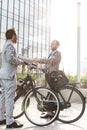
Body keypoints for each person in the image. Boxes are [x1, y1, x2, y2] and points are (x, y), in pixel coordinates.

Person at [0, 28, 24, 128]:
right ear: (13, 36)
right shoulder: (10, 45)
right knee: (9, 99)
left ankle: (1, 118)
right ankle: (10, 122)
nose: (17, 38)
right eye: (16, 35)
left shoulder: (5, 44)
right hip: (9, 76)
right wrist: (20, 62)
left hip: (3, 75)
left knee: (3, 97)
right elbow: (10, 58)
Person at [33, 40, 61, 118]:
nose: (51, 45)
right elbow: (49, 65)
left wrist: (39, 60)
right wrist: (43, 69)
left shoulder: (58, 54)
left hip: (53, 76)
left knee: (53, 94)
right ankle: (49, 112)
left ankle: (55, 113)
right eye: (51, 43)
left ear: (57, 45)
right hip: (49, 76)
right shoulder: (50, 54)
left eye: (53, 44)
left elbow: (51, 61)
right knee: (50, 95)